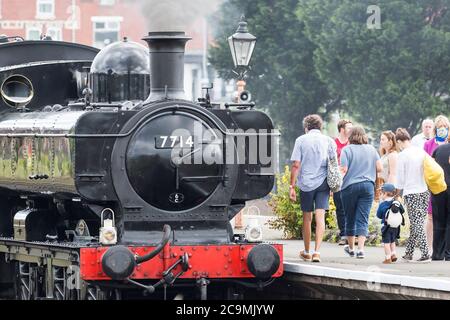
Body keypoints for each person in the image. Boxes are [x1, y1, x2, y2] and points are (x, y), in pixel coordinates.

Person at [290, 114, 337, 263]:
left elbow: (296, 164)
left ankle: (307, 251)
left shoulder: (301, 140)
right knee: (320, 216)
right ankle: (317, 252)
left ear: (306, 128)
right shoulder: (329, 141)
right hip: (323, 182)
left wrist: (291, 186)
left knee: (307, 217)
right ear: (320, 127)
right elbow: (334, 163)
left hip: (306, 184)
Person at [340, 126, 382, 259]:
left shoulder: (346, 150)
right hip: (368, 186)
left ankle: (351, 249)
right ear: (364, 135)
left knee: (349, 217)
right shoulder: (371, 149)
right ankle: (361, 250)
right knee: (362, 218)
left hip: (349, 187)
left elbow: (344, 170)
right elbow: (379, 168)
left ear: (350, 136)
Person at [395, 128, 431, 263]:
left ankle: (425, 253)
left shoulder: (403, 155)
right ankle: (409, 253)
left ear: (399, 141)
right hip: (424, 191)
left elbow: (400, 180)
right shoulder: (420, 151)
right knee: (417, 223)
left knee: (417, 224)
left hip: (412, 193)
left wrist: (396, 193)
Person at [424, 115, 450, 253]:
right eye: (439, 127)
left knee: (445, 218)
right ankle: (429, 247)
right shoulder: (429, 144)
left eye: (445, 127)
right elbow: (425, 163)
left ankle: (445, 248)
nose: (442, 130)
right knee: (431, 217)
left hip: (447, 185)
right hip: (434, 185)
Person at [333, 119, 353, 245]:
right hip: (337, 179)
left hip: (350, 178)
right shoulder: (334, 143)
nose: (351, 130)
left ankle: (351, 233)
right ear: (341, 129)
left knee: (350, 207)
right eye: (348, 128)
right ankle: (343, 234)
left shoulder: (352, 143)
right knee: (340, 208)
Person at [376, 183, 405, 264]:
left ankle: (388, 258)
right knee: (392, 241)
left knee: (386, 243)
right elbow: (402, 211)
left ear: (385, 193)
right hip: (396, 227)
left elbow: (378, 215)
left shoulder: (383, 204)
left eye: (381, 193)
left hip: (386, 227)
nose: (381, 195)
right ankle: (393, 254)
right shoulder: (396, 202)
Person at [431, 142, 450, 260]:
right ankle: (448, 253)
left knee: (438, 221)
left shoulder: (438, 149)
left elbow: (431, 168)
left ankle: (437, 254)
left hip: (438, 189)